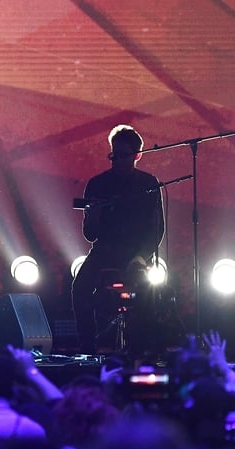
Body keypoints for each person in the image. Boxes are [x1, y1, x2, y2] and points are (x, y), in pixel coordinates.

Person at [72, 125, 165, 356]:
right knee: (79, 288)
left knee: (151, 293)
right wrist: (93, 216)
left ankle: (143, 348)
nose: (116, 161)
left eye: (123, 155)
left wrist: (141, 256)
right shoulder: (97, 184)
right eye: (113, 155)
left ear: (137, 155)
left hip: (136, 253)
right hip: (105, 250)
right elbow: (90, 235)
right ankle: (88, 346)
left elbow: (156, 229)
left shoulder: (148, 184)